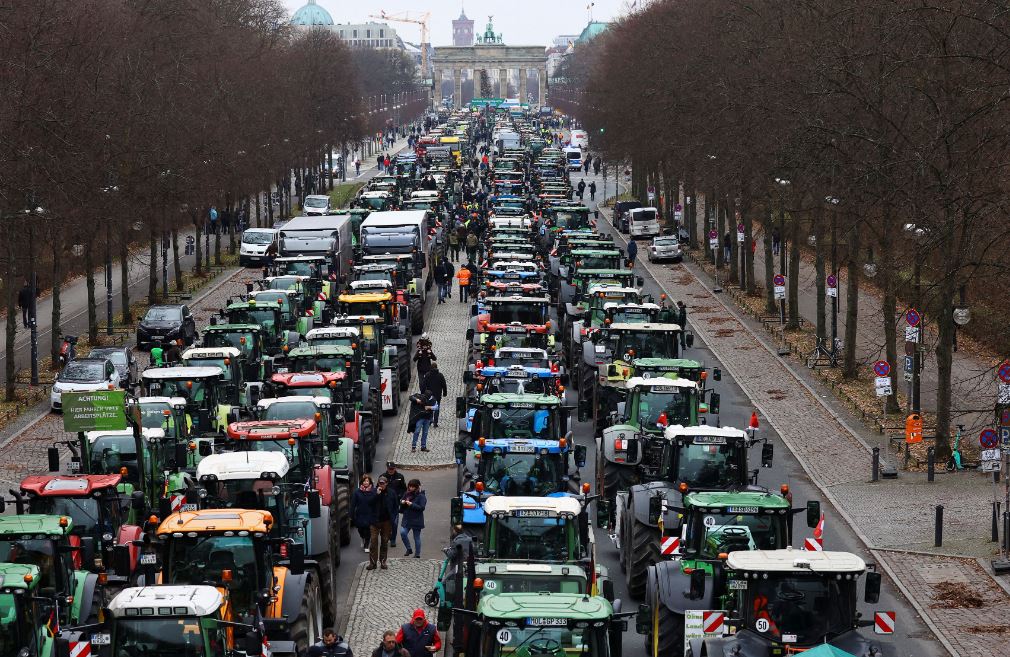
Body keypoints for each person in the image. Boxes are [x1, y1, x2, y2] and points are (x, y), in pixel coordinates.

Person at [367, 476, 397, 570]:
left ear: (386, 483)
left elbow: (396, 505)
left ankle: (383, 561)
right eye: (380, 483)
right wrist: (377, 495)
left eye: (383, 483)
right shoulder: (373, 491)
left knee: (384, 541)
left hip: (386, 521)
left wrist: (393, 516)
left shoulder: (391, 493)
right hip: (374, 521)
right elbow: (369, 503)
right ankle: (373, 563)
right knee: (373, 541)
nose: (381, 485)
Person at [399, 479, 426, 558]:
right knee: (403, 532)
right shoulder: (407, 493)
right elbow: (401, 500)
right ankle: (409, 548)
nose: (410, 488)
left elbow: (422, 507)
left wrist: (411, 504)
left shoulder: (421, 496)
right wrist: (402, 502)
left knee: (416, 537)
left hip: (416, 519)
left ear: (417, 487)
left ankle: (417, 554)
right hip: (407, 518)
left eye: (412, 487)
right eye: (409, 486)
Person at [384, 462, 407, 546]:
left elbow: (404, 489)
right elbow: (378, 488)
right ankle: (386, 536)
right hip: (384, 503)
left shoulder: (400, 477)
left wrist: (400, 496)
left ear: (395, 468)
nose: (390, 471)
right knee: (385, 522)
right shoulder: (383, 477)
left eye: (392, 469)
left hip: (395, 503)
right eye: (389, 469)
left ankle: (393, 539)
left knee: (394, 522)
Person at [352, 475, 376, 551]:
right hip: (360, 514)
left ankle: (366, 546)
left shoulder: (373, 491)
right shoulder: (357, 492)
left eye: (367, 481)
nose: (366, 483)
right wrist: (351, 514)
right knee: (361, 529)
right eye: (364, 481)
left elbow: (376, 502)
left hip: (370, 513)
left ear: (370, 482)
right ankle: (362, 537)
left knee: (368, 530)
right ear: (362, 482)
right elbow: (353, 503)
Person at [420, 362, 447, 427]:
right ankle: (435, 422)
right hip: (438, 395)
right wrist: (445, 393)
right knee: (437, 408)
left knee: (430, 408)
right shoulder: (440, 375)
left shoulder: (427, 375)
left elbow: (423, 385)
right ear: (436, 367)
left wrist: (422, 393)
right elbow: (444, 385)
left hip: (429, 395)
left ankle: (429, 420)